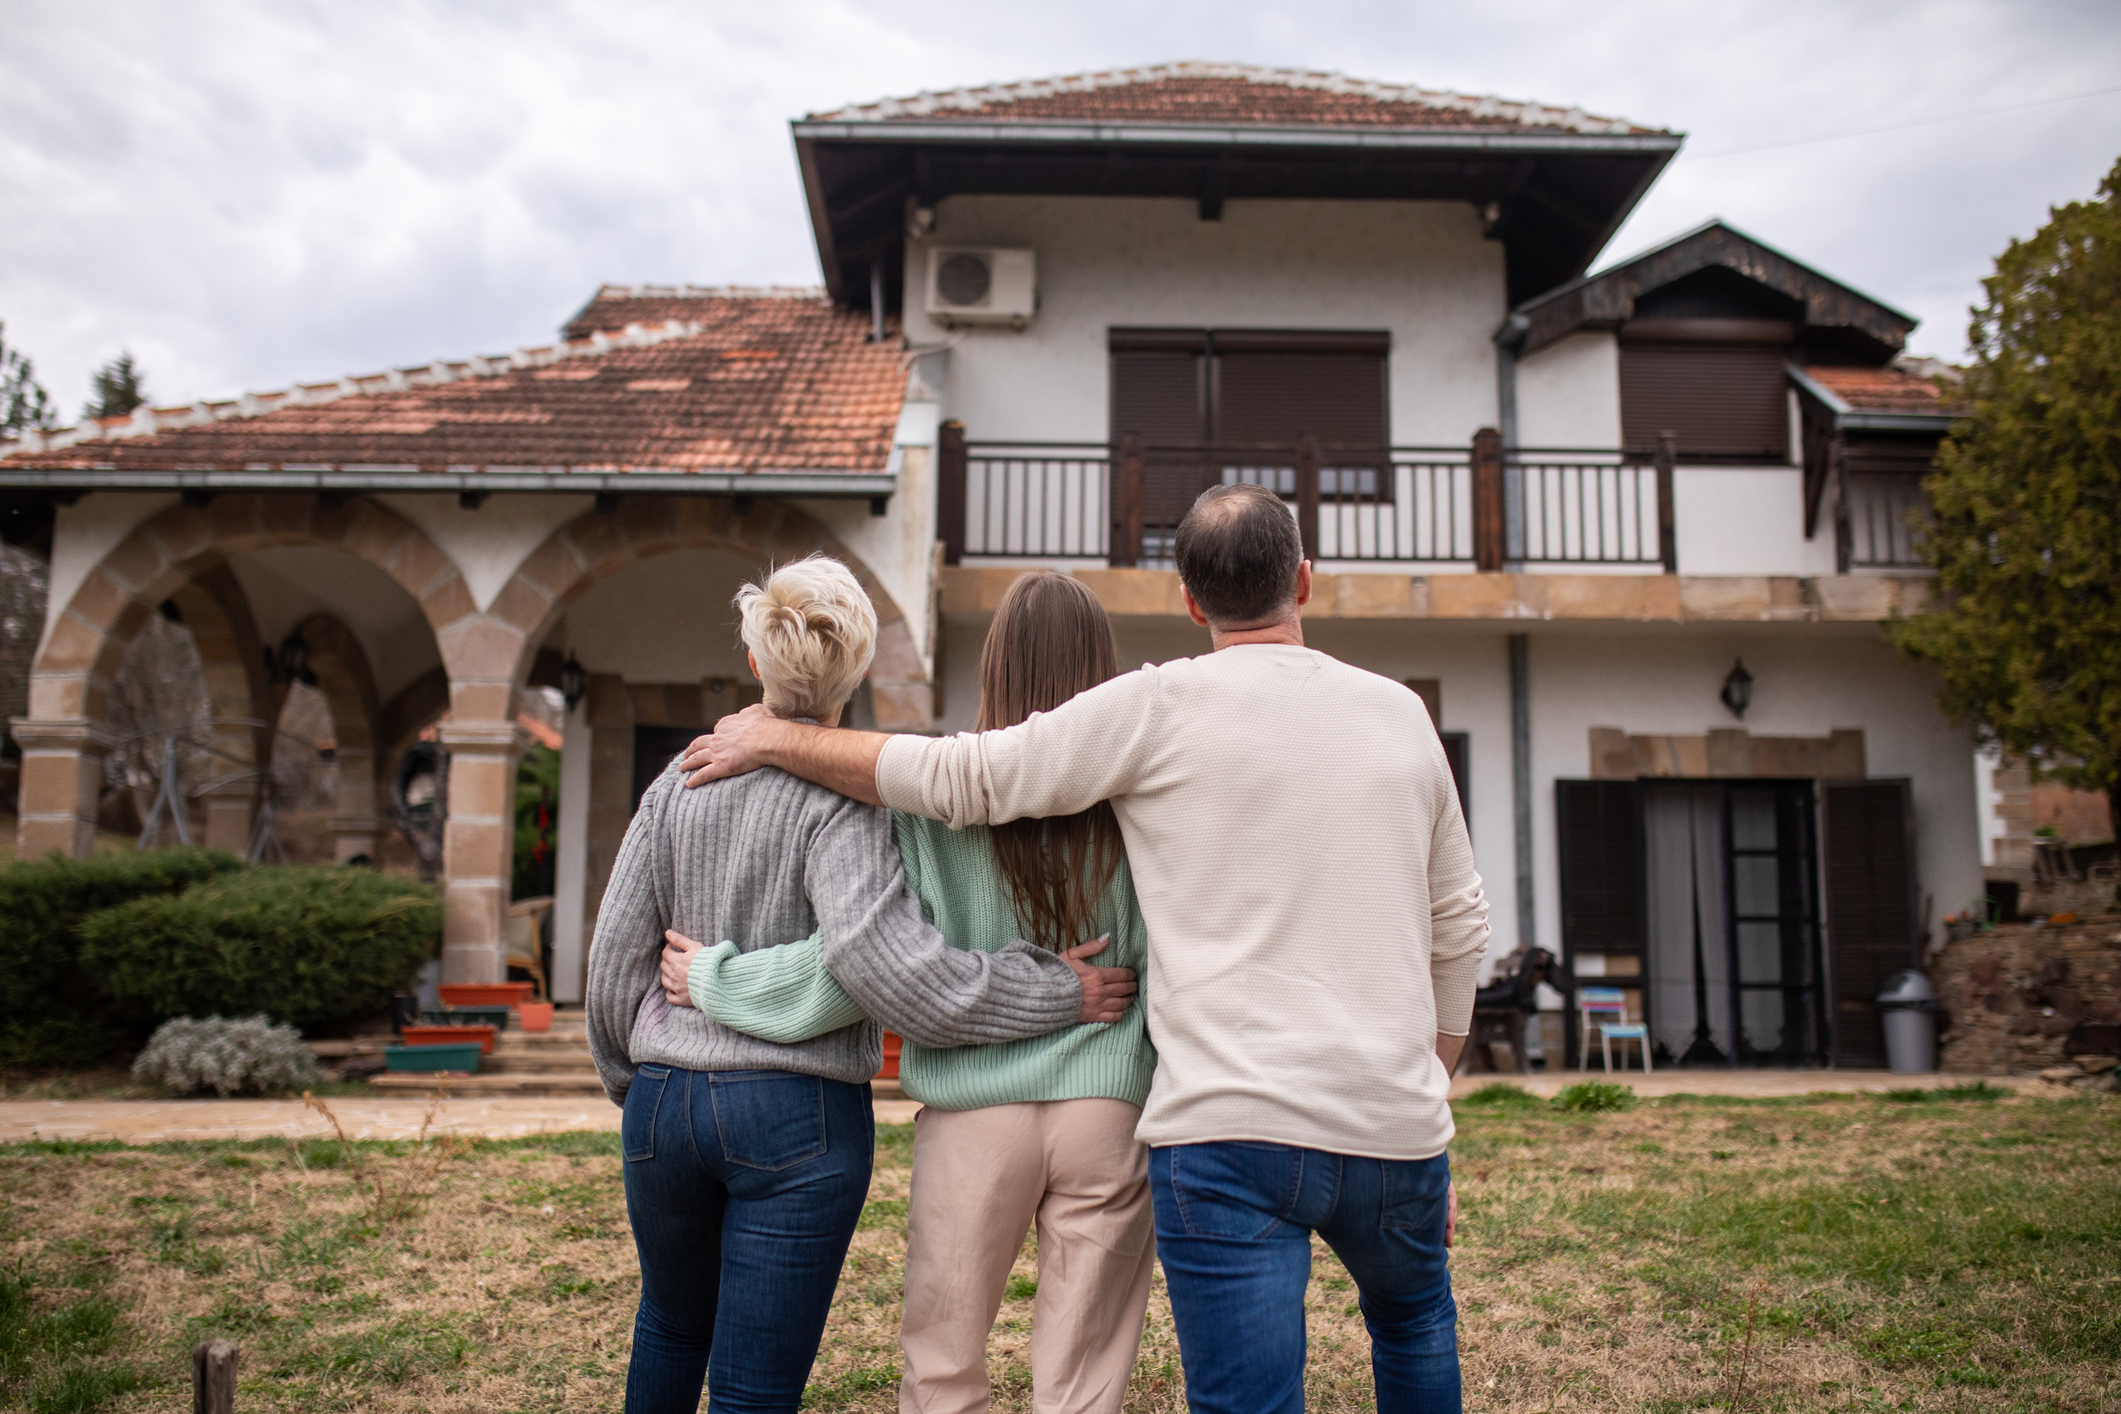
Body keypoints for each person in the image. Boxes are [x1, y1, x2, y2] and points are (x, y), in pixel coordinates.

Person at [680, 485, 1489, 1414]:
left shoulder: (1148, 717)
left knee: (958, 1365)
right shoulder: (1387, 718)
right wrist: (1424, 1093)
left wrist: (775, 754)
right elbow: (1459, 930)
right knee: (1370, 1333)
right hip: (1230, 1110)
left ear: (1189, 599)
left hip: (1123, 1120)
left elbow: (921, 861)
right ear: (1304, 579)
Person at [585, 554, 1137, 1414]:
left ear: (757, 660)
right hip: (1082, 1103)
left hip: (918, 1107)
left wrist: (663, 1049)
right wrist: (1068, 995)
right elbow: (877, 964)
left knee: (915, 1360)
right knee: (1079, 1376)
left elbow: (623, 961)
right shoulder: (1133, 798)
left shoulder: (696, 785)